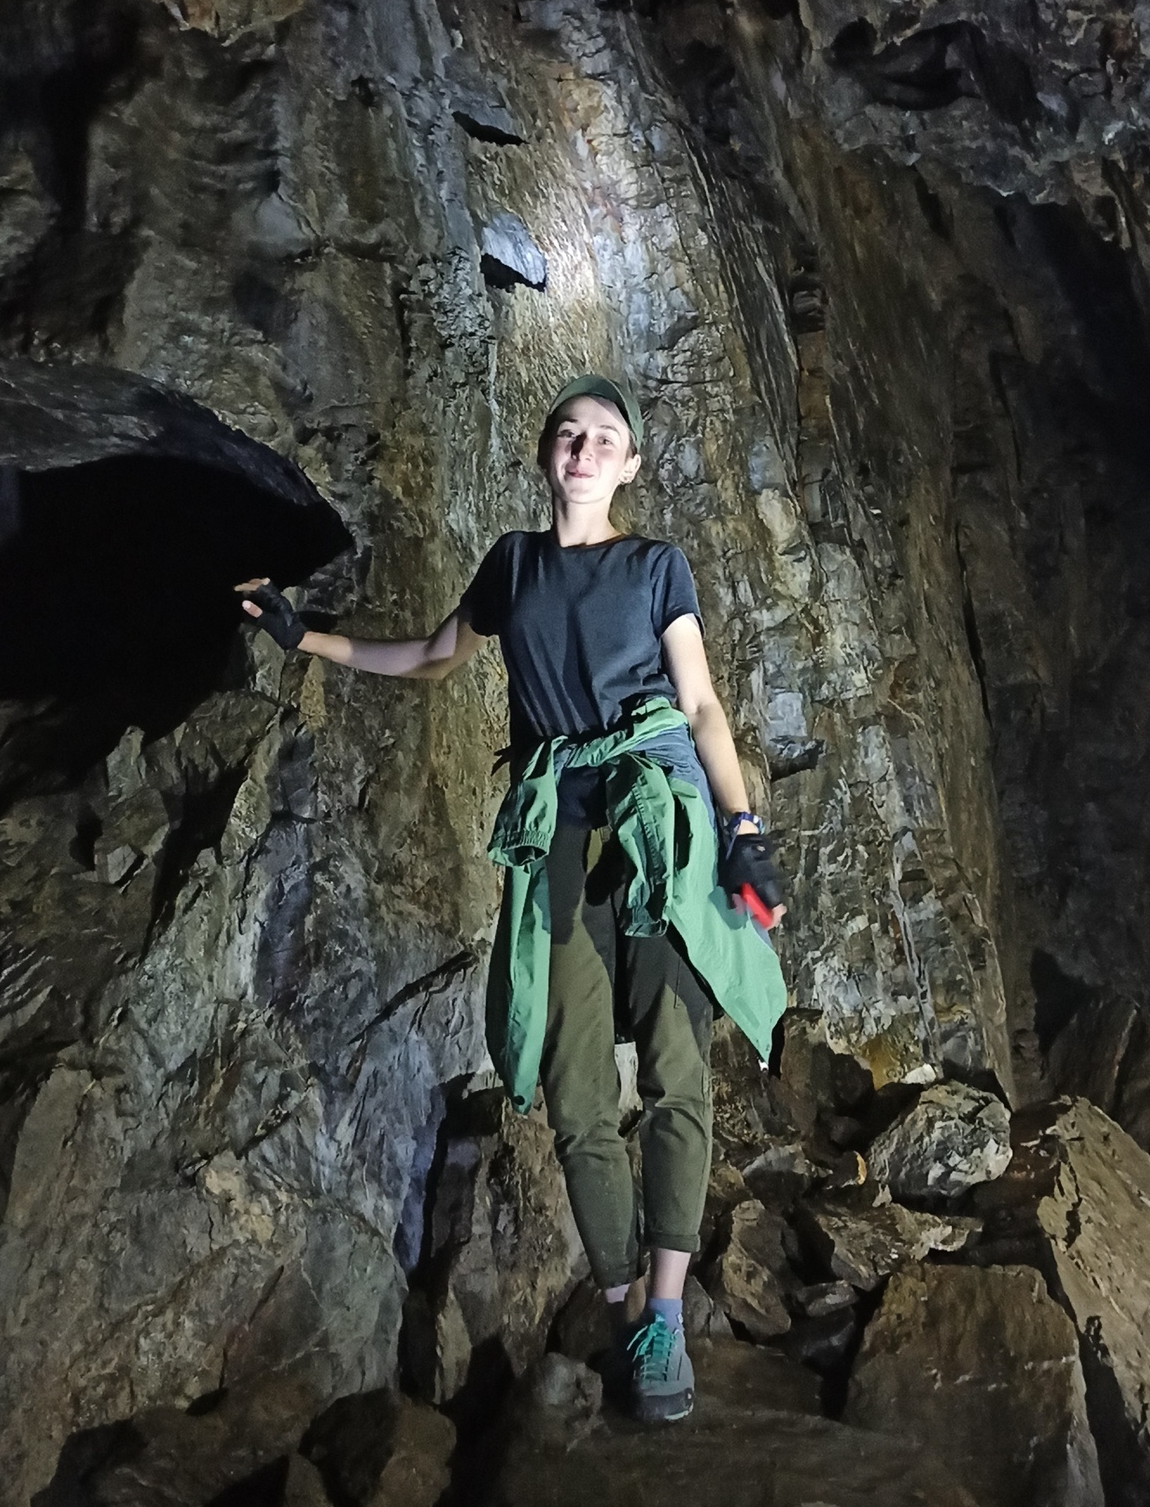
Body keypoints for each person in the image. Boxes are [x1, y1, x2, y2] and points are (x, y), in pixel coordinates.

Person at [238, 375, 786, 1422]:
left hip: (659, 814)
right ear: (546, 455)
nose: (583, 450)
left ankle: (667, 1311)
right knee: (577, 1087)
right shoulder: (515, 563)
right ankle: (629, 1305)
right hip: (563, 828)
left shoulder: (655, 564)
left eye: (605, 439)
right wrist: (301, 634)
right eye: (569, 434)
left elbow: (703, 702)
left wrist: (742, 827)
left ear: (630, 466)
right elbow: (437, 657)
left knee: (677, 1067)